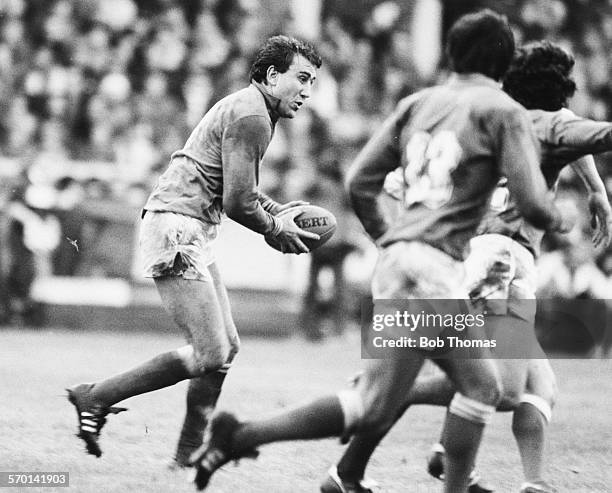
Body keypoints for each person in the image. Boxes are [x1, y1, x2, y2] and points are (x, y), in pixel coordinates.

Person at [190, 11, 569, 493]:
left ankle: (242, 436)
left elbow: (361, 181)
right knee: (485, 389)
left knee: (378, 403)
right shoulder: (501, 111)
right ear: (502, 63)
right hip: (437, 273)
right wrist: (561, 218)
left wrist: (389, 240)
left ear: (452, 54)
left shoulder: (417, 104)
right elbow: (534, 203)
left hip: (398, 267)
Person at [323, 40, 612, 493]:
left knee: (536, 382)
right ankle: (384, 392)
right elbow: (586, 133)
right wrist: (596, 191)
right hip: (504, 259)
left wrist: (594, 188)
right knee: (501, 387)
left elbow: (397, 183)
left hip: (475, 255)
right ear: (563, 92)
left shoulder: (486, 120)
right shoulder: (546, 124)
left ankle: (520, 478)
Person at [66, 35, 322, 463]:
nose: (308, 92)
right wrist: (276, 227)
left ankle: (187, 451)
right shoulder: (253, 116)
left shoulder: (251, 107)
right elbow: (240, 203)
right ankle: (96, 397)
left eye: (312, 81)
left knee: (225, 350)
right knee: (211, 351)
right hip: (177, 227)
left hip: (189, 226)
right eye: (302, 78)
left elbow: (236, 188)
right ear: (273, 75)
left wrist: (279, 211)